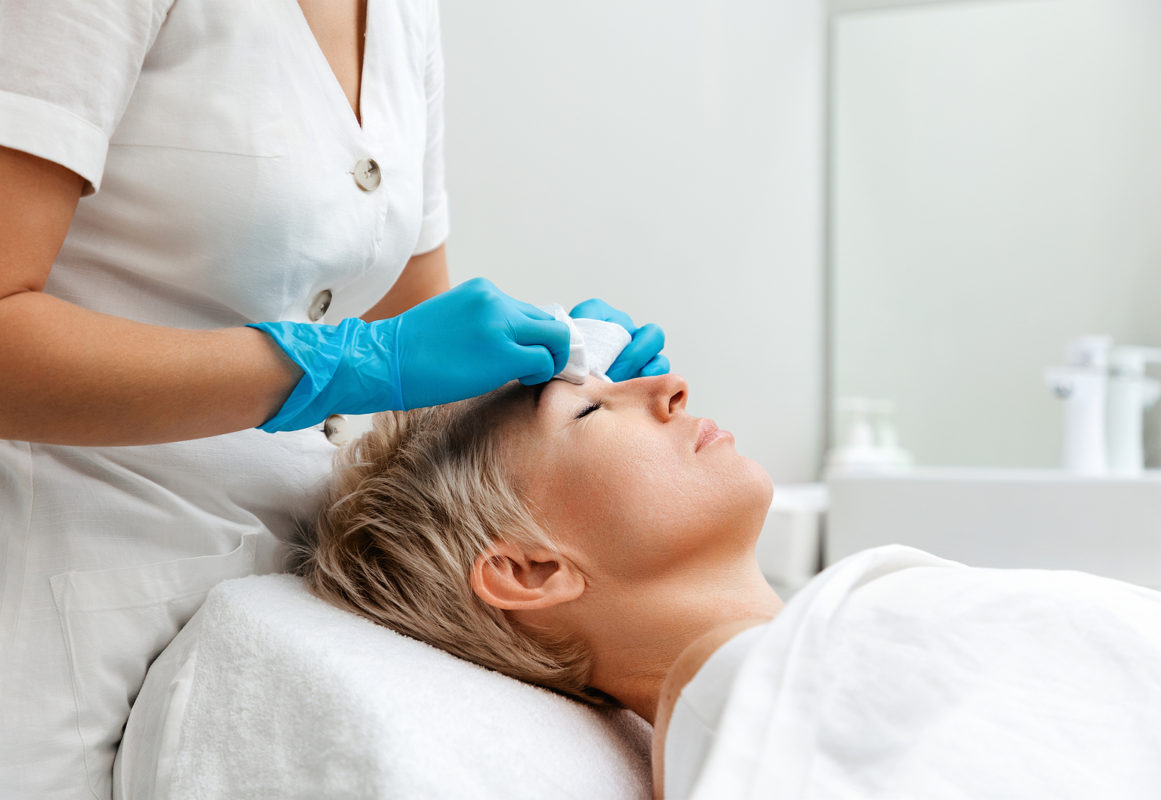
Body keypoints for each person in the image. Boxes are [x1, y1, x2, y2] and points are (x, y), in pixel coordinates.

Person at [0, 1, 665, 796]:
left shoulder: (404, 14)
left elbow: (406, 314)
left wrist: (553, 363)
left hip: (290, 605)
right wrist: (352, 362)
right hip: (70, 594)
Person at [299, 374, 1161, 799]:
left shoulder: (811, 661)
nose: (667, 385)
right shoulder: (756, 718)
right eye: (587, 408)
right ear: (531, 568)